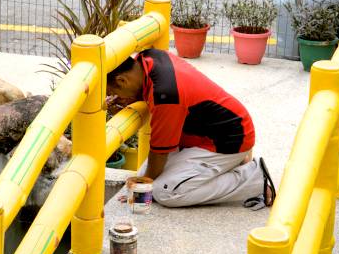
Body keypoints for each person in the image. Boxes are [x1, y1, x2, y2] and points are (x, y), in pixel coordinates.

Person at [106, 48, 275, 209]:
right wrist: (128, 99)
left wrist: (142, 189)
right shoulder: (148, 57)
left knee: (164, 192)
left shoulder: (165, 95)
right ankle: (233, 163)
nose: (115, 96)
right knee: (148, 175)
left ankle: (254, 181)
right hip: (212, 132)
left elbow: (159, 153)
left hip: (228, 141)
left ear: (122, 80)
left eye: (112, 91)